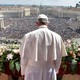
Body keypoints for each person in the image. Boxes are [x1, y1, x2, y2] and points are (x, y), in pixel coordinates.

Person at [20, 14, 67, 80]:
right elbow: (58, 58)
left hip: (32, 71)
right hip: (49, 70)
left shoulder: (28, 36)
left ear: (36, 23)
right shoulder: (57, 37)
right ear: (47, 23)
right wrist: (56, 70)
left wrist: (23, 71)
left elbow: (24, 58)